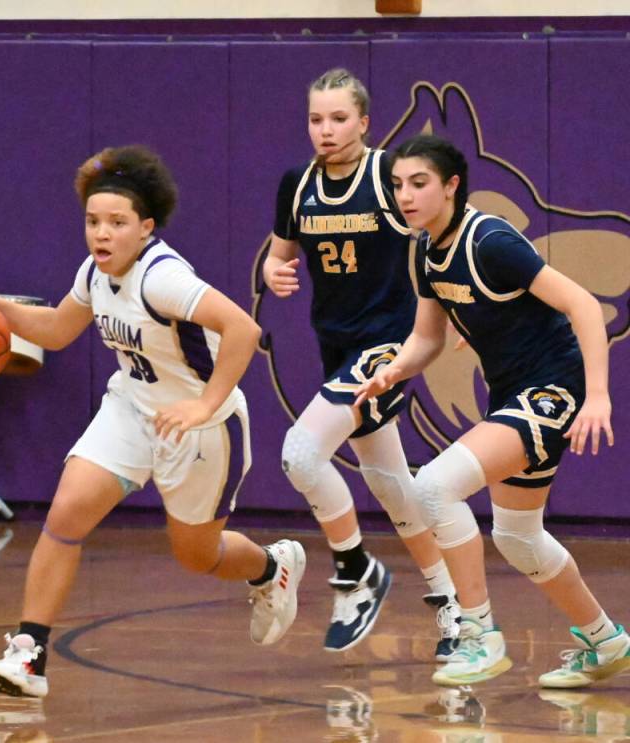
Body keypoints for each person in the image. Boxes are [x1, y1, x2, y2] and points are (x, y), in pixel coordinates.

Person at [0, 145, 306, 698]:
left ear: (146, 228)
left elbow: (243, 332)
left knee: (197, 556)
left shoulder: (163, 279)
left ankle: (269, 569)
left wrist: (204, 405)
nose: (101, 234)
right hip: (132, 407)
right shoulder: (94, 271)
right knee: (66, 513)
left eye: (116, 223)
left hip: (199, 428)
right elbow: (60, 329)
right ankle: (29, 655)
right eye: (92, 222)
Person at [356, 133, 629, 688]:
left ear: (452, 185)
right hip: (512, 393)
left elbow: (580, 304)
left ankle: (479, 634)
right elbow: (426, 339)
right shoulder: (425, 249)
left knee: (432, 486)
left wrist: (597, 396)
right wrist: (394, 369)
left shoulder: (491, 242)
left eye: (418, 183)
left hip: (553, 389)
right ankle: (606, 641)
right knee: (517, 536)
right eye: (396, 185)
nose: (404, 195)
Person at [262, 68, 463, 655]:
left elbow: (439, 238)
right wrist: (275, 273)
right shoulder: (296, 184)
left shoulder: (387, 176)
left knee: (300, 454)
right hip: (336, 346)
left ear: (365, 123)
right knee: (396, 489)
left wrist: (455, 314)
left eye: (339, 118)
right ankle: (453, 607)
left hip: (386, 347)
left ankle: (355, 570)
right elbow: (280, 257)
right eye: (316, 119)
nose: (325, 130)